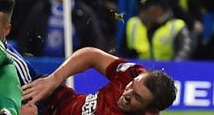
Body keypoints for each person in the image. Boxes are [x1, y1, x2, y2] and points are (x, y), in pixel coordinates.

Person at [22, 47, 177, 115]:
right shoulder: (133, 73)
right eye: (132, 86)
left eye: (137, 97)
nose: (127, 94)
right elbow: (91, 56)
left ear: (150, 112)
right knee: (6, 60)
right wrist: (54, 80)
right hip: (58, 99)